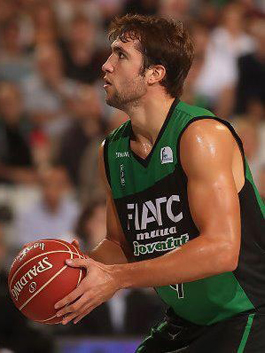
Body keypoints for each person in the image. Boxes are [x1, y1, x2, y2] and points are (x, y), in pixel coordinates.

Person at [55, 14, 265, 352]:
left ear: (155, 73)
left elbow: (222, 251)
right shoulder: (111, 151)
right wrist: (75, 270)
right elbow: (119, 245)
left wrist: (117, 279)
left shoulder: (201, 135)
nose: (106, 65)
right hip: (185, 321)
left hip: (248, 314)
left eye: (121, 55)